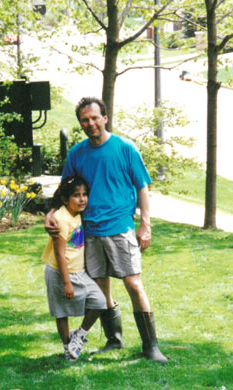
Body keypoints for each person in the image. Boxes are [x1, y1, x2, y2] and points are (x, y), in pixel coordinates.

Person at [45, 97, 168, 363]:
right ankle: (114, 340)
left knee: (133, 284)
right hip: (89, 232)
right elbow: (64, 190)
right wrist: (50, 214)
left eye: (94, 118)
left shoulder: (125, 148)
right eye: (84, 120)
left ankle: (151, 346)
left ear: (105, 118)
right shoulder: (77, 153)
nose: (90, 123)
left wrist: (145, 224)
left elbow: (142, 188)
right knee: (102, 291)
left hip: (120, 228)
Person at [41, 175, 107, 361]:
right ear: (65, 199)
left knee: (100, 302)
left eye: (85, 194)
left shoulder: (77, 215)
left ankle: (78, 336)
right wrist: (67, 282)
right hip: (60, 273)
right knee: (62, 312)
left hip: (79, 272)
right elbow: (60, 254)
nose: (82, 199)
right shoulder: (61, 219)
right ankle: (66, 347)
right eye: (76, 195)